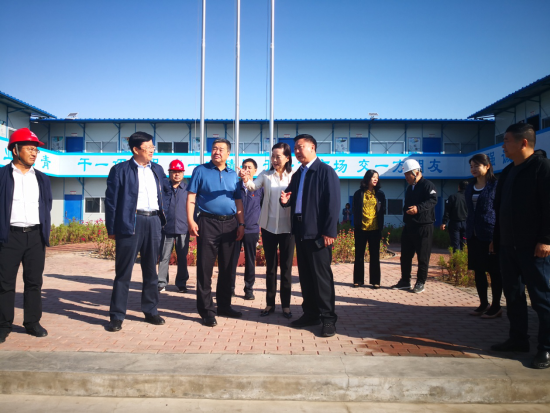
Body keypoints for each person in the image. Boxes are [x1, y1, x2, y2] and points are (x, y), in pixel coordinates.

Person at [491, 122, 550, 370]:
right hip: (508, 246)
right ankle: (518, 339)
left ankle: (545, 348)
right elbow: (500, 209)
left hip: (534, 247)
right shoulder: (508, 171)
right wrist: (496, 239)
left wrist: (546, 239)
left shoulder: (542, 168)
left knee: (541, 298)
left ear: (523, 142)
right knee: (513, 295)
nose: (503, 145)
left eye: (506, 140)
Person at [104, 131, 170, 332]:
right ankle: (117, 316)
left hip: (153, 222)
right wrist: (112, 228)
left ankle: (150, 310)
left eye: (152, 146)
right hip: (130, 222)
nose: (152, 150)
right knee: (123, 272)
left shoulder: (157, 169)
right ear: (135, 149)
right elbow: (111, 201)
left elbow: (166, 192)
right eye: (148, 147)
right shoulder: (120, 170)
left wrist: (163, 215)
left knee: (151, 270)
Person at [280, 134, 340, 337]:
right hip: (300, 231)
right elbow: (290, 197)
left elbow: (333, 203)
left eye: (300, 147)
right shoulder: (298, 174)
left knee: (321, 277)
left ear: (312, 147)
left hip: (318, 234)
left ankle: (328, 318)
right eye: (295, 148)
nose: (297, 151)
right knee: (305, 276)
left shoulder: (325, 171)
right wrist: (284, 200)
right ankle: (311, 314)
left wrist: (329, 230)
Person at [0, 128, 52, 344]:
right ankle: (3, 325)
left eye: (36, 150)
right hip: (9, 237)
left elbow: (46, 206)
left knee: (33, 282)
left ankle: (32, 322)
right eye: (30, 149)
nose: (34, 153)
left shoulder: (42, 179)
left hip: (35, 237)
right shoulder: (2, 176)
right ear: (15, 150)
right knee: (5, 283)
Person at [187, 138, 245, 327]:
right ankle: (206, 311)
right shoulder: (200, 170)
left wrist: (241, 223)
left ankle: (224, 306)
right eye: (214, 148)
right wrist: (191, 220)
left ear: (228, 153)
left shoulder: (233, 175)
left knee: (228, 268)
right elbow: (191, 197)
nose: (217, 152)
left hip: (230, 224)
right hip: (207, 222)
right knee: (205, 269)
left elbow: (238, 201)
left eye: (221, 149)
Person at [241, 143, 294, 318]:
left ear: (287, 158)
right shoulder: (265, 174)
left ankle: (286, 306)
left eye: (278, 156)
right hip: (268, 227)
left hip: (288, 228)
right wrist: (246, 179)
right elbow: (252, 186)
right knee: (270, 268)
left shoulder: (294, 175)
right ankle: (270, 304)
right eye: (273, 156)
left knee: (286, 268)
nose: (275, 160)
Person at [391, 159, 437, 294]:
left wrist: (418, 208)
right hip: (409, 226)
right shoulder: (410, 188)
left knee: (423, 256)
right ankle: (405, 281)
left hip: (424, 226)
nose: (406, 178)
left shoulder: (428, 185)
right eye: (405, 175)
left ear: (416, 173)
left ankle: (421, 282)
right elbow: (406, 206)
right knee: (405, 255)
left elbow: (433, 200)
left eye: (407, 175)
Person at [464, 154, 502, 319]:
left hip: (489, 233)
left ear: (487, 166)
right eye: (471, 166)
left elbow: (499, 211)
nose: (473, 169)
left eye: (476, 165)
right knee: (478, 270)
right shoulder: (470, 186)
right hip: (473, 233)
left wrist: (496, 236)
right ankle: (483, 303)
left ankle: (496, 306)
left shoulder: (496, 186)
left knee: (494, 271)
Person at [231, 158, 263, 300]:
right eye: (244, 167)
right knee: (231, 260)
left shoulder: (259, 188)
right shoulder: (234, 186)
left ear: (255, 171)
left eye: (250, 167)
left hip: (252, 229)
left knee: (250, 260)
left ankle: (248, 289)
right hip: (235, 228)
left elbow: (263, 206)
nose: (246, 170)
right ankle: (230, 288)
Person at [158, 159, 190, 293]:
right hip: (167, 228)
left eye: (179, 172)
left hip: (183, 228)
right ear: (169, 173)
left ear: (183, 173)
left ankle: (181, 283)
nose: (177, 174)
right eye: (174, 172)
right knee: (164, 256)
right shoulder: (163, 188)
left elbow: (194, 207)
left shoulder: (188, 189)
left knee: (182, 257)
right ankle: (161, 283)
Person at [352, 169, 386, 289]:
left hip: (375, 229)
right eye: (373, 177)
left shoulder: (380, 194)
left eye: (377, 177)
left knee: (375, 256)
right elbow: (355, 209)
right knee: (359, 255)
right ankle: (358, 280)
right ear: (367, 178)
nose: (375, 179)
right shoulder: (358, 194)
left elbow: (383, 210)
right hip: (361, 229)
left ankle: (375, 281)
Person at [440, 181, 468, 251]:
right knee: (465, 243)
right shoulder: (469, 197)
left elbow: (447, 211)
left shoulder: (453, 197)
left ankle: (457, 256)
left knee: (456, 244)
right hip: (466, 224)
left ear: (459, 187)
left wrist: (444, 222)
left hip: (455, 224)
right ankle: (464, 256)